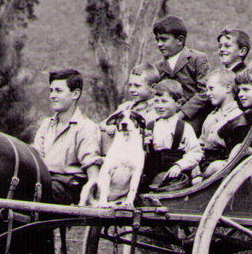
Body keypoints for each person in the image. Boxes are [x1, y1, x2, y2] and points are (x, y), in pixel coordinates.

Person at [32, 67, 102, 204]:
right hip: (44, 181)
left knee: (32, 192)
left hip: (69, 186)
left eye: (58, 91)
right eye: (51, 91)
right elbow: (36, 158)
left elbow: (93, 172)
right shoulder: (46, 124)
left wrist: (93, 199)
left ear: (75, 94)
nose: (52, 95)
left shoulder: (86, 127)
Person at [152, 15, 211, 132]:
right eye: (157, 40)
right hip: (166, 116)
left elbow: (204, 92)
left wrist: (182, 113)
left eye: (164, 39)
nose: (159, 44)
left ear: (180, 40)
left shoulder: (197, 59)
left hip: (193, 118)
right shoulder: (158, 66)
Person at [143, 78, 204, 188]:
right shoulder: (150, 126)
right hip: (152, 175)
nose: (159, 106)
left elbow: (195, 152)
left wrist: (179, 166)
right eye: (156, 101)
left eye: (164, 102)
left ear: (178, 103)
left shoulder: (184, 127)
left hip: (176, 176)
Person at [199, 67, 249, 174]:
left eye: (211, 89)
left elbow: (236, 155)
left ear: (227, 88)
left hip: (222, 169)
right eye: (207, 89)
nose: (208, 93)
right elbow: (201, 144)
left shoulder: (237, 117)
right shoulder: (210, 117)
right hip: (203, 166)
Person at [101, 63, 161, 137]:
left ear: (153, 88)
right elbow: (103, 124)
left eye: (137, 86)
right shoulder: (125, 107)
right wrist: (109, 128)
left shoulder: (159, 109)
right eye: (130, 85)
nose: (132, 90)